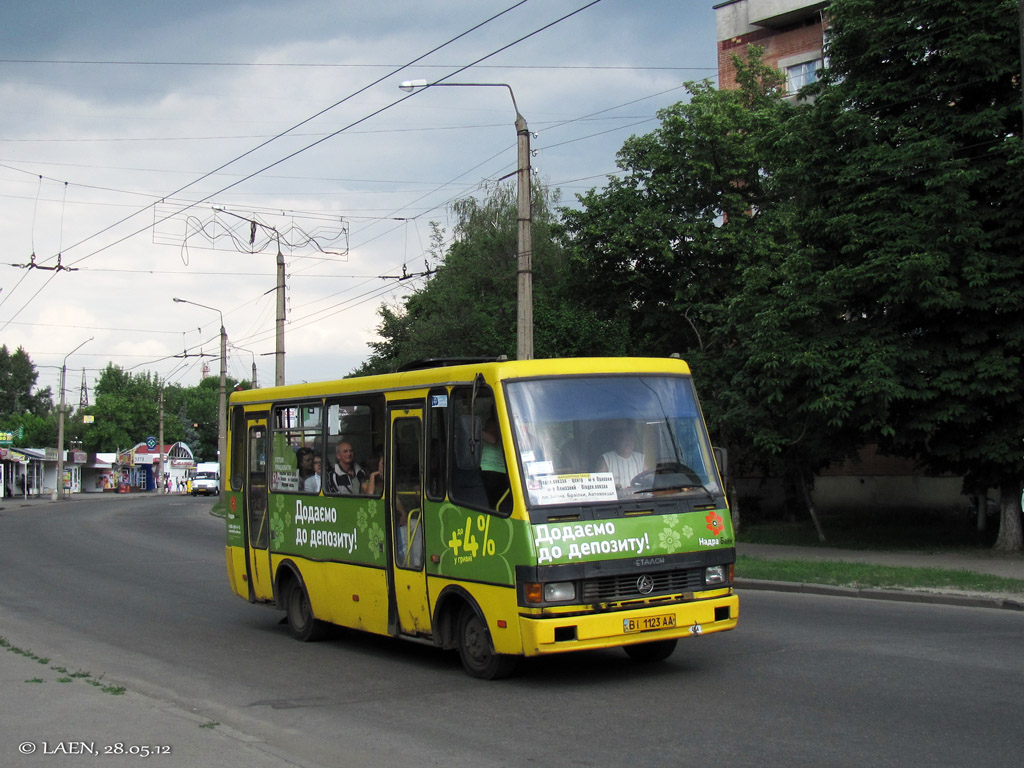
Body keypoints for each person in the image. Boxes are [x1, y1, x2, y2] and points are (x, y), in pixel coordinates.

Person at [598, 426, 645, 491]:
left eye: (631, 439)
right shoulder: (607, 459)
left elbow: (648, 478)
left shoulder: (640, 458)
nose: (628, 443)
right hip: (618, 498)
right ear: (616, 441)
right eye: (625, 439)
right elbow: (600, 482)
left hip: (639, 497)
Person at [480, 416, 509, 510]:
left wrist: (477, 430)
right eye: (487, 426)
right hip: (485, 470)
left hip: (494, 472)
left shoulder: (499, 436)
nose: (487, 428)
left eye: (490, 426)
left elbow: (493, 440)